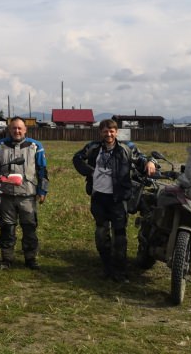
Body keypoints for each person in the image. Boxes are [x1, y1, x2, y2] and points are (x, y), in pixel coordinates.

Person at [72, 119, 156, 282]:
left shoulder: (127, 147)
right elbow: (77, 158)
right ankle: (106, 266)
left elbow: (142, 159)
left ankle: (120, 270)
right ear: (100, 132)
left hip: (118, 199)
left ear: (116, 132)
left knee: (120, 236)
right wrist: (89, 172)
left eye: (111, 131)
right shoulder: (93, 147)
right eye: (105, 131)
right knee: (101, 234)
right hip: (99, 198)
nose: (108, 134)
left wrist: (150, 162)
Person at [0, 116, 48, 270]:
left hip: (28, 195)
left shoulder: (35, 146)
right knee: (6, 228)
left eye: (19, 128)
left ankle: (30, 259)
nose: (16, 131)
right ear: (9, 130)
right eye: (13, 128)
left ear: (25, 129)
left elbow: (42, 170)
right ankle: (6, 259)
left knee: (29, 228)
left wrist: (42, 190)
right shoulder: (0, 145)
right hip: (6, 196)